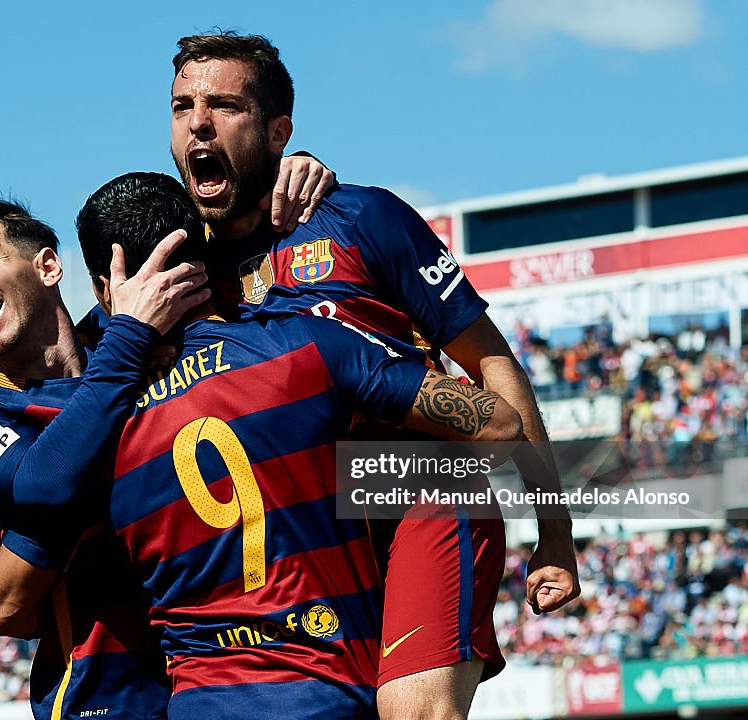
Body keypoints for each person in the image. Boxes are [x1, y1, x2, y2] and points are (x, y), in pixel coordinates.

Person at [168, 31, 580, 719]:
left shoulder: (362, 217)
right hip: (301, 536)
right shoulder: (181, 271)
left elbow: (492, 361)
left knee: (412, 712)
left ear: (278, 131)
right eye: (182, 106)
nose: (198, 122)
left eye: (223, 105)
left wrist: (556, 534)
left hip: (419, 490)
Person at [71, 171, 523, 717]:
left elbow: (6, 597)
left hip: (198, 704)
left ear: (103, 289)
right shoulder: (304, 348)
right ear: (210, 258)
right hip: (324, 693)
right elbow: (499, 423)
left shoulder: (95, 426)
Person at [0, 160, 335, 720]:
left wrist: (280, 176)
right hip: (106, 697)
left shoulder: (133, 333)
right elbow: (47, 485)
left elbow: (195, 239)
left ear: (48, 266)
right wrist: (132, 338)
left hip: (221, 679)